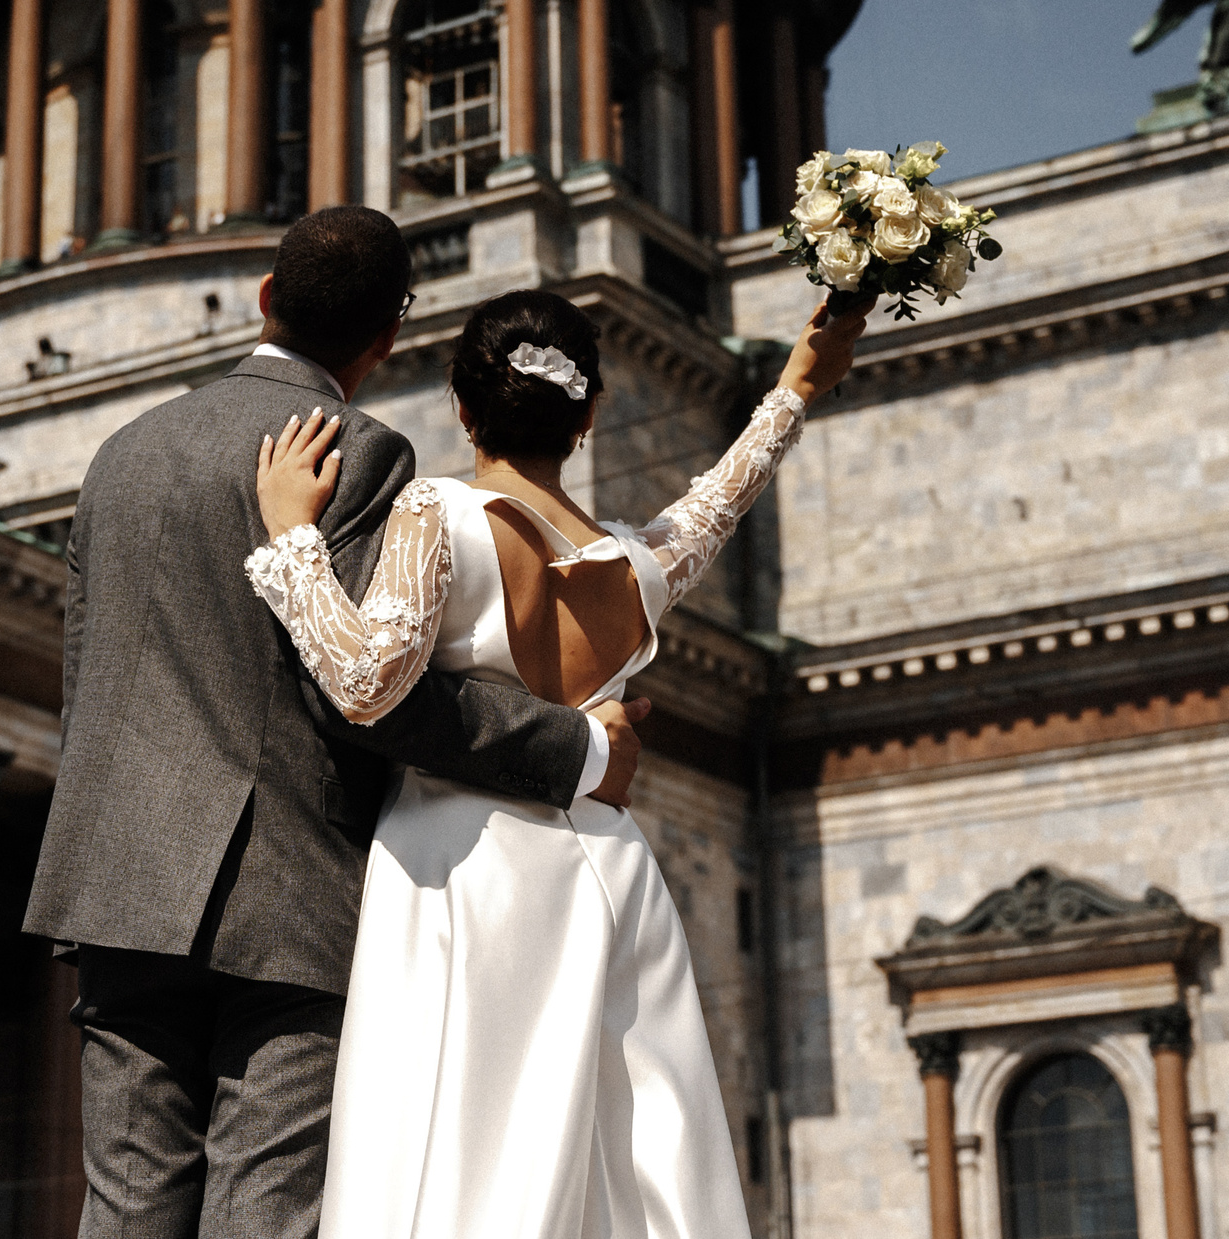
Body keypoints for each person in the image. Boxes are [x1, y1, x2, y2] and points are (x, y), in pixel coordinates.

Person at [25, 208, 649, 1238]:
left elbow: (84, 680)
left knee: (127, 1205)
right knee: (263, 1209)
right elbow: (368, 691)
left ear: (265, 297)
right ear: (388, 336)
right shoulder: (358, 450)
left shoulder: (122, 453)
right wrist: (576, 746)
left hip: (119, 886)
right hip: (287, 891)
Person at [247, 286, 867, 1237]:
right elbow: (719, 500)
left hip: (466, 867)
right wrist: (795, 387)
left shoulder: (437, 510)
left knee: (466, 1144)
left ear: (463, 407)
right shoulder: (636, 565)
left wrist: (293, 537)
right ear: (589, 416)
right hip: (611, 869)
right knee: (631, 1149)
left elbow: (368, 682)